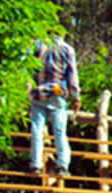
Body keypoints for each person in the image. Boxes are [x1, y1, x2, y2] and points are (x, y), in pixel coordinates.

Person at [29, 34, 81, 176]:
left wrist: (27, 93)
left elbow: (28, 71)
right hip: (58, 94)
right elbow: (72, 75)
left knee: (37, 129)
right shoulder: (66, 49)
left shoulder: (36, 45)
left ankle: (36, 164)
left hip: (38, 93)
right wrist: (76, 97)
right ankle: (62, 165)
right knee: (59, 131)